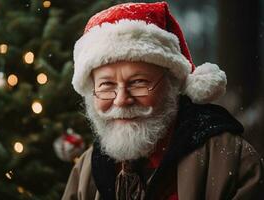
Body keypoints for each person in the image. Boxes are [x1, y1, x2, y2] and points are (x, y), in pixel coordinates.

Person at [62, 2, 264, 200]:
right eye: (106, 85)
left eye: (138, 82)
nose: (122, 100)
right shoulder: (88, 167)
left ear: (172, 85)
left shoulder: (228, 158)